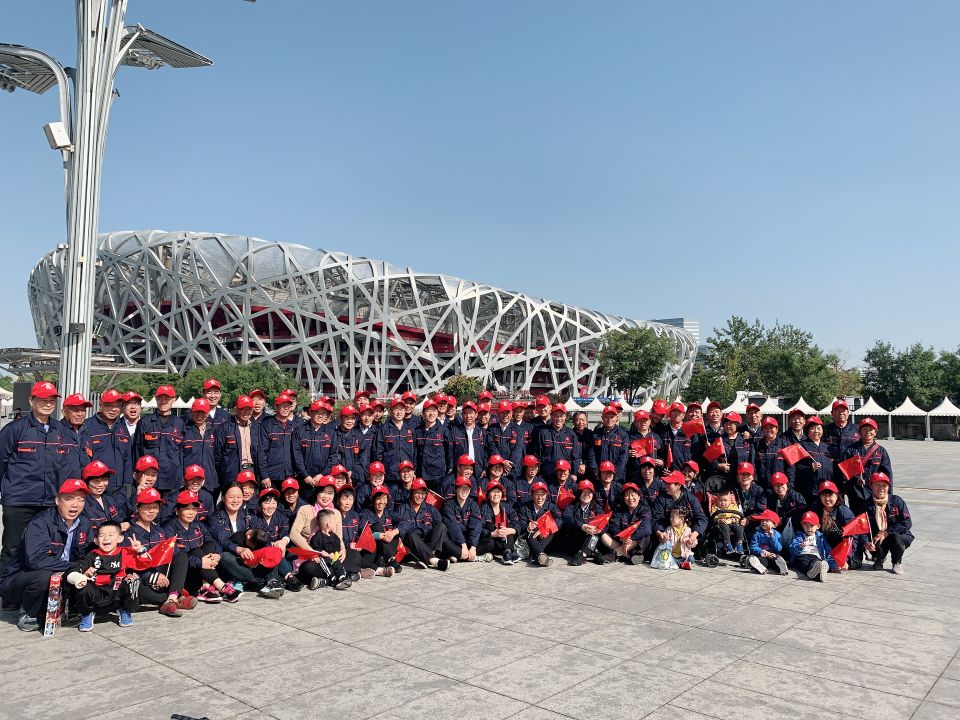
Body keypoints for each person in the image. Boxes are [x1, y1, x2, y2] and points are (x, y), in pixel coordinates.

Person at [0, 478, 92, 632]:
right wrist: (74, 566)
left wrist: (85, 566)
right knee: (45, 576)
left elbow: (86, 554)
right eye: (69, 499)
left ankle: (68, 609)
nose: (75, 504)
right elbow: (35, 561)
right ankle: (28, 613)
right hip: (19, 579)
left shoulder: (85, 523)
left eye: (81, 499)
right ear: (57, 500)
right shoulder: (40, 523)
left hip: (60, 573)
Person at [0, 381, 69, 576]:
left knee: (44, 549)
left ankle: (35, 590)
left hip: (49, 502)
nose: (48, 404)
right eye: (42, 400)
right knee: (13, 549)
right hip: (19, 501)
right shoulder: (14, 429)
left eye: (51, 400)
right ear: (31, 401)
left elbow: (65, 465)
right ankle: (6, 590)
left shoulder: (59, 430)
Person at [124, 487, 196, 617]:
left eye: (155, 507)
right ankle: (172, 600)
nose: (152, 511)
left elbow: (171, 552)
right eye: (147, 507)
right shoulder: (128, 532)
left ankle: (171, 598)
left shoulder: (159, 530)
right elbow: (128, 564)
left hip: (162, 578)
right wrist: (151, 576)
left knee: (181, 556)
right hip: (143, 579)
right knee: (132, 584)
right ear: (137, 507)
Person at [165, 489, 237, 603]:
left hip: (202, 573)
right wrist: (200, 562)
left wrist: (217, 555)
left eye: (194, 509)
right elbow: (175, 554)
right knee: (196, 552)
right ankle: (221, 586)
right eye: (187, 509)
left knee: (209, 545)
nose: (191, 513)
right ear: (177, 510)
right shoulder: (169, 528)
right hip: (183, 576)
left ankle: (206, 587)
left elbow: (212, 541)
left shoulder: (198, 525)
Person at [65, 520, 137, 631]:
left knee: (132, 580)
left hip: (116, 593)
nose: (106, 538)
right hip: (96, 595)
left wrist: (140, 551)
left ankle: (125, 610)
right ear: (96, 540)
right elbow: (78, 565)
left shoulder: (125, 552)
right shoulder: (91, 555)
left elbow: (143, 564)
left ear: (120, 538)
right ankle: (87, 614)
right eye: (102, 535)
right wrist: (79, 575)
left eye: (111, 535)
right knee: (82, 585)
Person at [133, 385, 184, 495]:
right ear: (156, 399)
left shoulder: (180, 424)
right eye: (160, 398)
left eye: (167, 399)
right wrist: (137, 475)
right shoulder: (145, 422)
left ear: (173, 400)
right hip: (149, 480)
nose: (163, 401)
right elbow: (137, 450)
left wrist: (181, 477)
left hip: (172, 480)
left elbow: (182, 453)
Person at [83, 388, 133, 497]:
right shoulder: (87, 426)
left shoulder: (122, 427)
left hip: (119, 491)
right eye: (109, 405)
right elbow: (84, 460)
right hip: (96, 490)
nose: (113, 409)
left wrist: (128, 486)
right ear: (100, 405)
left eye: (117, 406)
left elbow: (128, 459)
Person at [392, 478, 450, 571]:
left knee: (442, 526)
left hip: (428, 543)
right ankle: (433, 560)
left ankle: (426, 556)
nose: (420, 496)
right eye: (417, 493)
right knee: (411, 534)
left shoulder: (430, 508)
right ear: (412, 493)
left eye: (423, 493)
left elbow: (440, 525)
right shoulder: (401, 509)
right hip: (411, 546)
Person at [843, 418, 893, 516]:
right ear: (859, 431)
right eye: (865, 429)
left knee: (874, 518)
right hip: (856, 493)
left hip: (875, 493)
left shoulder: (881, 451)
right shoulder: (851, 450)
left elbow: (887, 475)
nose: (868, 432)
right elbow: (845, 472)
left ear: (875, 432)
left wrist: (889, 495)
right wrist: (856, 480)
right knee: (858, 518)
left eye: (871, 429)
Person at [864, 472, 912, 574]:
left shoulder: (897, 500)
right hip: (877, 536)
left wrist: (886, 532)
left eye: (884, 485)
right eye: (877, 485)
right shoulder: (865, 505)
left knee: (898, 539)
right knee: (874, 545)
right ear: (871, 486)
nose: (881, 488)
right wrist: (866, 542)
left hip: (897, 534)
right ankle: (880, 558)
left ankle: (896, 562)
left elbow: (907, 522)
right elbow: (861, 527)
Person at [216, 395, 261, 496]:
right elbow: (217, 455)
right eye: (243, 409)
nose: (246, 412)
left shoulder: (256, 427)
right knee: (233, 498)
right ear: (236, 409)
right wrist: (225, 471)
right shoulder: (225, 428)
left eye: (249, 409)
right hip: (233, 471)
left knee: (251, 498)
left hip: (251, 469)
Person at [807, 480, 855, 570]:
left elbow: (853, 537)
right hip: (821, 545)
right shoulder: (815, 508)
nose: (827, 499)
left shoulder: (844, 511)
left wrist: (846, 558)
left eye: (830, 495)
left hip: (840, 547)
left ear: (837, 496)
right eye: (824, 495)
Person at [300, 509, 351, 590]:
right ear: (328, 524)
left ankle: (342, 577)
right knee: (325, 562)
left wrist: (336, 553)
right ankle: (333, 579)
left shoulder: (335, 537)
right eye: (334, 521)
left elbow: (337, 548)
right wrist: (321, 553)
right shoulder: (317, 537)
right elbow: (314, 549)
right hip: (324, 559)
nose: (336, 523)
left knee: (338, 564)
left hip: (334, 558)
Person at [562, 480, 610, 566]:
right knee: (579, 520)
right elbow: (566, 518)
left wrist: (599, 530)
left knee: (594, 531)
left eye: (589, 492)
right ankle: (594, 551)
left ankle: (582, 554)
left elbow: (605, 522)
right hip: (575, 540)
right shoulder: (571, 506)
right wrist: (582, 526)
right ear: (579, 493)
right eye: (584, 492)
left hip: (593, 537)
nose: (587, 495)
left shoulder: (596, 507)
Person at [257, 394, 299, 490]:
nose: (286, 408)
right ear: (276, 407)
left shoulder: (295, 426)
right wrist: (264, 475)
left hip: (291, 474)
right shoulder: (266, 425)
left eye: (288, 406)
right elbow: (262, 452)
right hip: (272, 475)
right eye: (283, 406)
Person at [530, 404, 582, 480]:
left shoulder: (571, 434)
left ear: (565, 417)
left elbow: (576, 456)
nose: (559, 419)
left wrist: (574, 473)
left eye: (561, 416)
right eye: (556, 415)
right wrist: (538, 472)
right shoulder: (543, 432)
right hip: (546, 475)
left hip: (565, 475)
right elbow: (537, 454)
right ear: (551, 416)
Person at [442, 476, 486, 563]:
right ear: (456, 489)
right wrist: (463, 544)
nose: (465, 491)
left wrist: (473, 546)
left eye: (467, 489)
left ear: (470, 491)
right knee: (444, 543)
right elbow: (453, 526)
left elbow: (476, 526)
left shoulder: (473, 504)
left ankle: (461, 555)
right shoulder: (448, 504)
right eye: (462, 488)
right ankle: (472, 556)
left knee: (490, 543)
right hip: (455, 540)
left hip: (469, 540)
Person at [358, 486, 400, 576]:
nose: (381, 502)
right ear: (373, 500)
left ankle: (385, 559)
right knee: (377, 526)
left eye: (384, 498)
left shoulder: (390, 513)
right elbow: (361, 531)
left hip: (387, 548)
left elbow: (406, 523)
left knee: (397, 533)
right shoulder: (365, 513)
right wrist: (377, 535)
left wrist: (393, 532)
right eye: (378, 498)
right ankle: (390, 559)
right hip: (372, 549)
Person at [181, 398, 219, 498]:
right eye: (196, 412)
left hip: (208, 481)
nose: (199, 415)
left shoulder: (213, 431)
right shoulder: (184, 430)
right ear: (191, 412)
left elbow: (217, 457)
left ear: (208, 413)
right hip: (190, 481)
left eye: (203, 412)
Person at [517, 480, 561, 567]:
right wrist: (527, 527)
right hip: (530, 539)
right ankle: (540, 554)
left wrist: (545, 528)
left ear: (546, 495)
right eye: (537, 494)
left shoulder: (551, 506)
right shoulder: (524, 507)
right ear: (532, 495)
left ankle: (536, 555)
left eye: (543, 494)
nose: (540, 497)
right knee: (530, 532)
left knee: (551, 531)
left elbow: (559, 520)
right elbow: (520, 524)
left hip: (545, 539)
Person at [374, 397, 416, 484]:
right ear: (390, 411)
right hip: (390, 475)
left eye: (401, 409)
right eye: (396, 409)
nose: (399, 412)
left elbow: (415, 452)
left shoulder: (410, 429)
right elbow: (378, 453)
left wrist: (414, 470)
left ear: (404, 411)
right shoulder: (383, 430)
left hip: (407, 474)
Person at [607, 483, 653, 563]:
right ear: (623, 498)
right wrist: (622, 537)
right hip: (622, 541)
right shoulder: (619, 510)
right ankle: (629, 556)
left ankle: (617, 552)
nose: (630, 498)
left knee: (646, 535)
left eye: (633, 495)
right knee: (603, 533)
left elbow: (646, 528)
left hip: (636, 543)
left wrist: (631, 538)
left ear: (639, 496)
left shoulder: (645, 510)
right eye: (627, 495)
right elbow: (613, 525)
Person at [80, 460, 130, 534]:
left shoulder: (109, 500)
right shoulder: (82, 504)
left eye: (104, 479)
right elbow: (85, 533)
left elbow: (118, 519)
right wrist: (115, 529)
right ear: (87, 482)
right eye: (96, 481)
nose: (101, 484)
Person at [478, 480, 518, 564]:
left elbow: (517, 523)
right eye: (493, 492)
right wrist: (492, 534)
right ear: (488, 495)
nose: (496, 494)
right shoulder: (483, 508)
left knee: (509, 526)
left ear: (502, 494)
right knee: (490, 526)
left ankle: (507, 552)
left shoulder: (507, 507)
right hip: (493, 541)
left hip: (506, 540)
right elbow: (478, 528)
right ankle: (508, 553)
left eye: (498, 492)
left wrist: (513, 530)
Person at [789, 510, 836, 582]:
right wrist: (800, 546)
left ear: (818, 526)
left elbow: (828, 551)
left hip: (816, 556)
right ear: (802, 525)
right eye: (806, 525)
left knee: (816, 563)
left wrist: (833, 565)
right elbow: (792, 548)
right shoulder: (799, 536)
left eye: (811, 525)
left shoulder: (820, 537)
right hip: (802, 555)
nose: (809, 528)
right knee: (802, 563)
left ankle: (818, 570)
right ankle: (818, 575)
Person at [796, 416, 833, 504]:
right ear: (807, 431)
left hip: (827, 489)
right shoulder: (801, 446)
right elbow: (796, 467)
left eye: (818, 428)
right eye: (813, 428)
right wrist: (810, 468)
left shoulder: (828, 447)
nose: (816, 431)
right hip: (810, 490)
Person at [588, 406, 629, 483]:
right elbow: (591, 454)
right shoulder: (596, 434)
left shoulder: (623, 435)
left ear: (617, 417)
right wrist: (595, 470)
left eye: (612, 417)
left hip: (617, 477)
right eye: (606, 417)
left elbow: (623, 457)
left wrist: (614, 473)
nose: (609, 419)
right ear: (602, 418)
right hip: (599, 475)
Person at [414, 400, 449, 488]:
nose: (431, 414)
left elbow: (449, 453)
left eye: (434, 411)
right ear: (423, 414)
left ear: (437, 413)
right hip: (421, 474)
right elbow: (414, 453)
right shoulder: (417, 431)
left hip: (438, 475)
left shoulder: (444, 431)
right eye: (428, 411)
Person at [746, 509, 789, 575]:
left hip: (772, 554)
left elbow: (779, 548)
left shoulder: (777, 534)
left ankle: (782, 568)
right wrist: (764, 552)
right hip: (761, 554)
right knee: (762, 561)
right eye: (762, 520)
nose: (764, 522)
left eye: (767, 521)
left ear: (774, 525)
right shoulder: (757, 534)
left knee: (775, 560)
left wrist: (772, 537)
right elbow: (753, 547)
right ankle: (759, 567)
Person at [710, 489, 745, 555]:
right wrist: (719, 520)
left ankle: (739, 544)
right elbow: (713, 516)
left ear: (730, 500)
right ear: (717, 500)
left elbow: (738, 515)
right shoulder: (715, 507)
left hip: (733, 523)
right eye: (720, 500)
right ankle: (727, 544)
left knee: (739, 527)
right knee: (724, 527)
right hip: (722, 524)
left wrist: (735, 519)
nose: (723, 503)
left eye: (725, 500)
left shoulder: (733, 506)